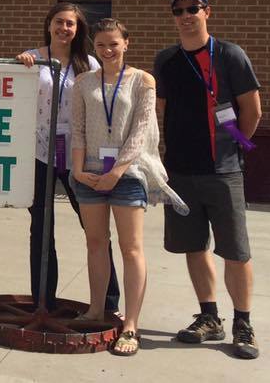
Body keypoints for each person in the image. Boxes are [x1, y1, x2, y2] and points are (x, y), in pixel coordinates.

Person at [155, 0, 262, 360]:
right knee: (194, 246)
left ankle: (243, 323)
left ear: (207, 12)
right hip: (181, 173)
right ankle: (210, 317)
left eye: (192, 9)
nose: (186, 16)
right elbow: (160, 111)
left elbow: (252, 111)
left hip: (223, 171)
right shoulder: (165, 60)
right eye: (179, 10)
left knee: (235, 251)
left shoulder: (231, 55)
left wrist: (231, 146)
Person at [71, 18, 184, 356]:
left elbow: (141, 131)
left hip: (128, 175)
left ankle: (131, 324)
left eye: (113, 44)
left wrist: (118, 172)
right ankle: (95, 310)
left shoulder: (142, 81)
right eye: (101, 45)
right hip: (89, 175)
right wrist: (78, 169)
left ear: (126, 44)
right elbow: (78, 127)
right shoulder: (83, 82)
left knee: (130, 248)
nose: (107, 50)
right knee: (95, 243)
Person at [16, 2, 118, 313]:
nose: (64, 28)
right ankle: (43, 300)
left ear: (78, 29)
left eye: (70, 24)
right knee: (41, 228)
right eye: (59, 22)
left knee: (95, 228)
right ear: (49, 25)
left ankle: (108, 301)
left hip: (79, 155)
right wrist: (20, 66)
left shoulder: (87, 63)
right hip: (39, 152)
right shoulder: (32, 59)